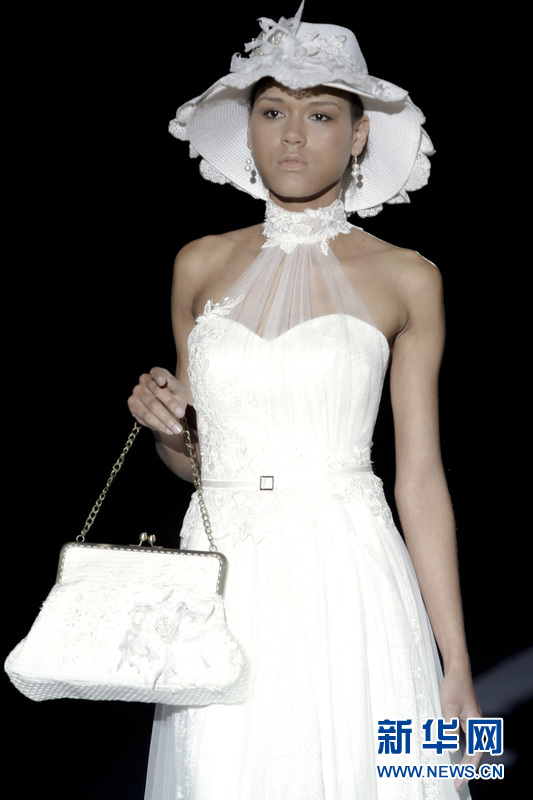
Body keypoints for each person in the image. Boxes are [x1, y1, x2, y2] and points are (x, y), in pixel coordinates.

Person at [128, 4, 482, 798]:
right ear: (248, 128)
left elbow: (420, 479)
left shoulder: (408, 276)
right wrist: (165, 425)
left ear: (357, 134)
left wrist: (455, 664)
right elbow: (196, 465)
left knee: (382, 770)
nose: (292, 135)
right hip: (223, 577)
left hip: (349, 568)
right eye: (272, 111)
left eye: (319, 114)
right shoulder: (196, 263)